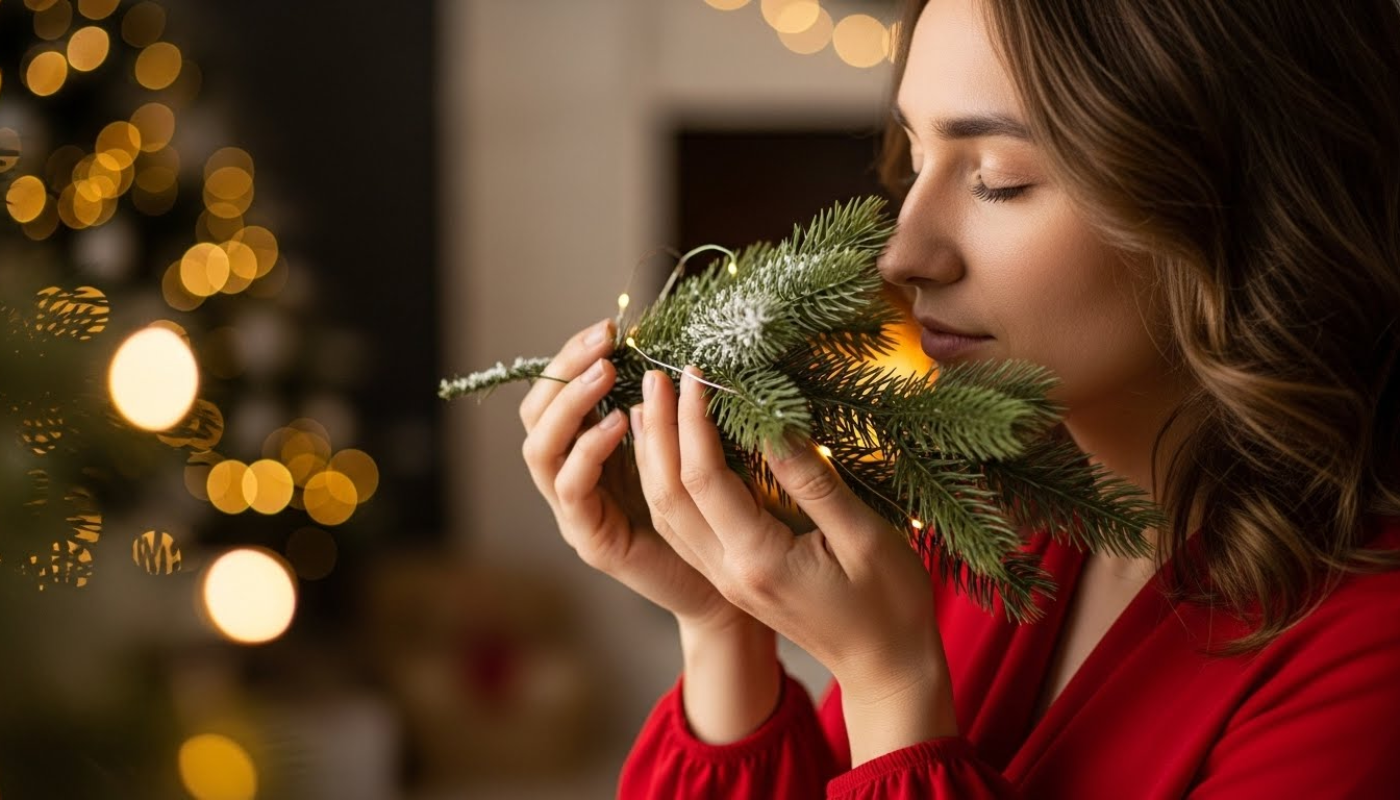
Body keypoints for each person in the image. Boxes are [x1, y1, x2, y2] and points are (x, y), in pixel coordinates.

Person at [516, 0, 1400, 795]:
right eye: (915, 160)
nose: (904, 255)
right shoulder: (987, 523)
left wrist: (893, 684)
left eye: (998, 180)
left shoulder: (1371, 654)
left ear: (1236, 202)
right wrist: (721, 621)